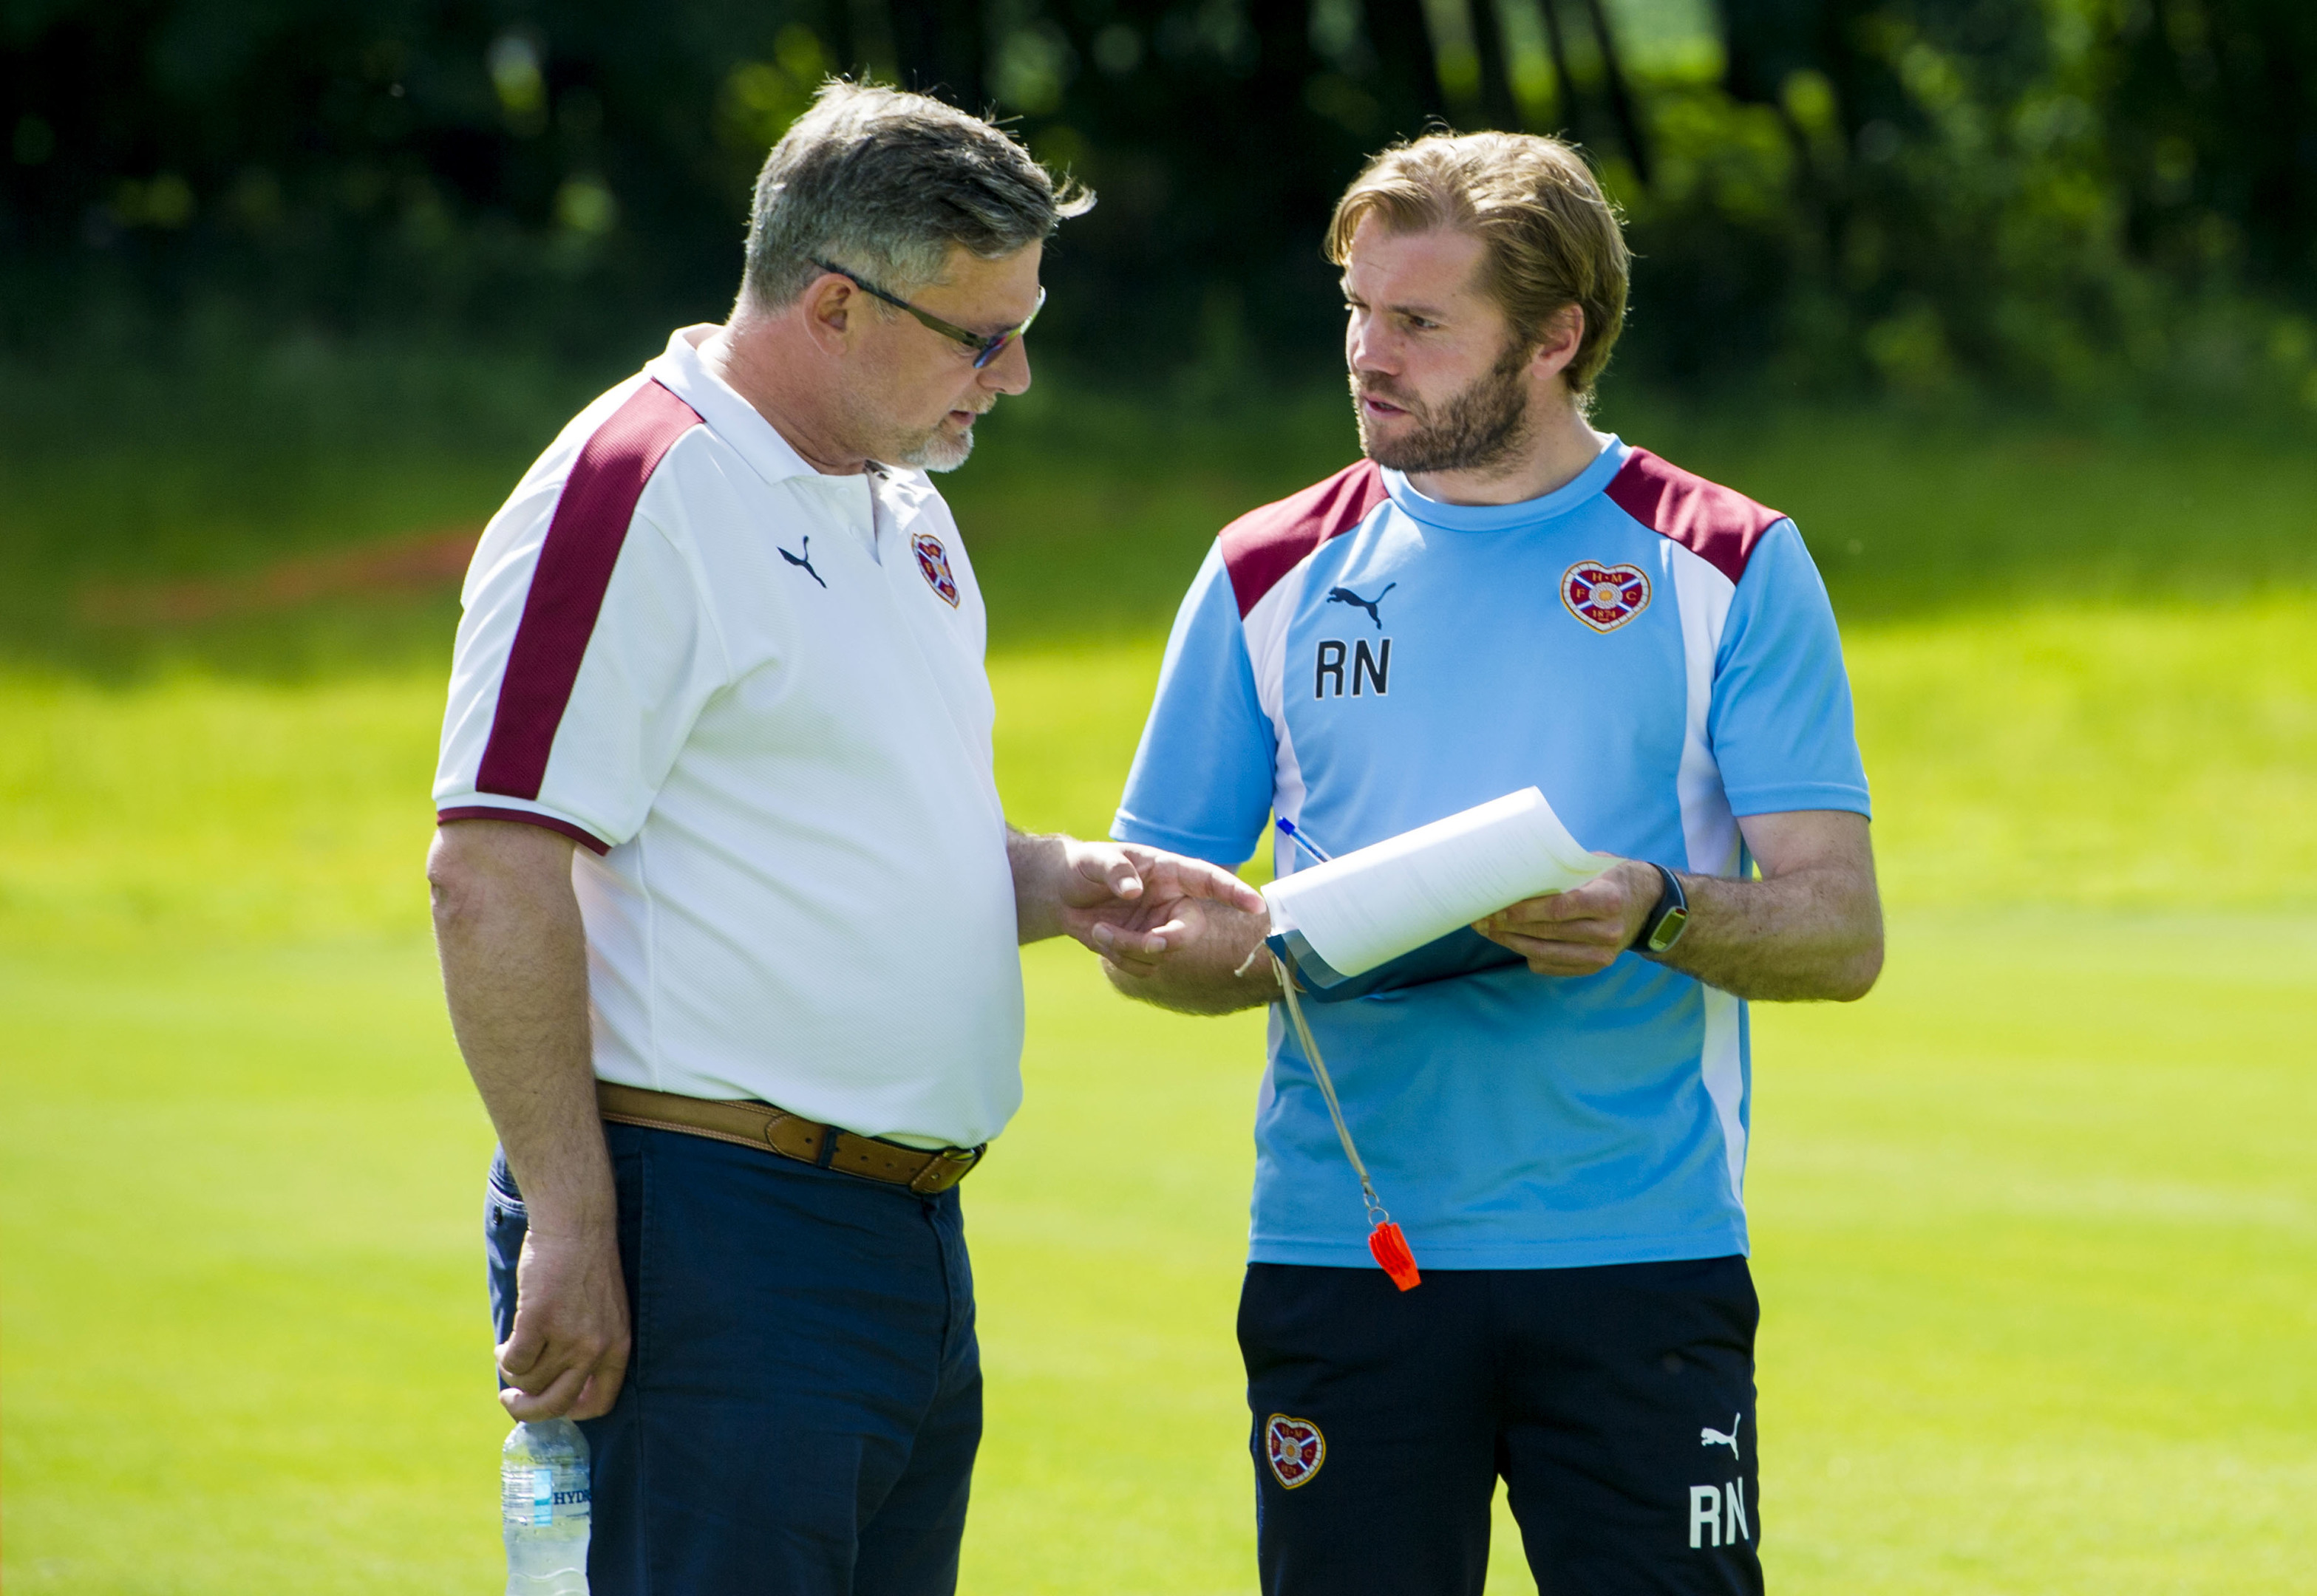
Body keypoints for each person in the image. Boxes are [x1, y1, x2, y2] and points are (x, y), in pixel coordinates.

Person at [427, 82, 1260, 1595]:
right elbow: (491, 863)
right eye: (978, 336)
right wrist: (568, 1218)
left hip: (901, 1245)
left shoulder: (903, 503)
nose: (1010, 379)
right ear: (830, 304)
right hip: (712, 1242)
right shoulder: (640, 488)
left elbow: (844, 843)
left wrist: (1059, 884)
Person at [1093, 132, 1884, 1595]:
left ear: (1554, 336)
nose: (1363, 355)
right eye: (1353, 309)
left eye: (1416, 323)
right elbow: (1153, 930)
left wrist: (1650, 911)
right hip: (1347, 1258)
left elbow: (1836, 934)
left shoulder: (1723, 559)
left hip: (1638, 1260)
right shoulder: (1265, 571)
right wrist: (1257, 941)